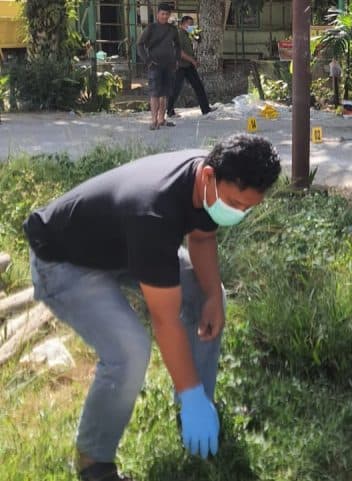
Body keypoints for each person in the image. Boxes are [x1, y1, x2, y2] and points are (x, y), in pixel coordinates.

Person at [23, 134, 282, 481]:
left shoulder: (207, 181)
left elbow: (202, 236)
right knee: (129, 350)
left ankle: (197, 408)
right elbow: (165, 320)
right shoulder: (154, 210)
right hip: (63, 262)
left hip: (122, 247)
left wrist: (210, 298)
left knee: (211, 295)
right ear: (208, 177)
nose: (238, 213)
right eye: (235, 204)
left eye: (248, 208)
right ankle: (94, 464)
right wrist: (189, 392)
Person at [137, 3, 180, 131]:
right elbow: (140, 44)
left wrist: (176, 59)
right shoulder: (151, 28)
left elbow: (178, 45)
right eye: (162, 14)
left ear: (169, 15)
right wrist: (147, 61)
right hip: (154, 65)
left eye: (167, 14)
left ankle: (162, 119)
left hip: (169, 65)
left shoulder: (172, 29)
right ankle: (153, 120)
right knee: (155, 93)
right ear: (158, 14)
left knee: (165, 94)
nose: (164, 16)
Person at [167, 15, 214, 118]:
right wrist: (192, 60)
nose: (192, 26)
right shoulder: (179, 34)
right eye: (190, 24)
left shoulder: (188, 34)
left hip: (188, 66)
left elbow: (199, 40)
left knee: (199, 86)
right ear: (183, 24)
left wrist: (195, 32)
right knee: (176, 89)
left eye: (193, 24)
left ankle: (206, 109)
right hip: (180, 66)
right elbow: (180, 52)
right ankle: (169, 111)